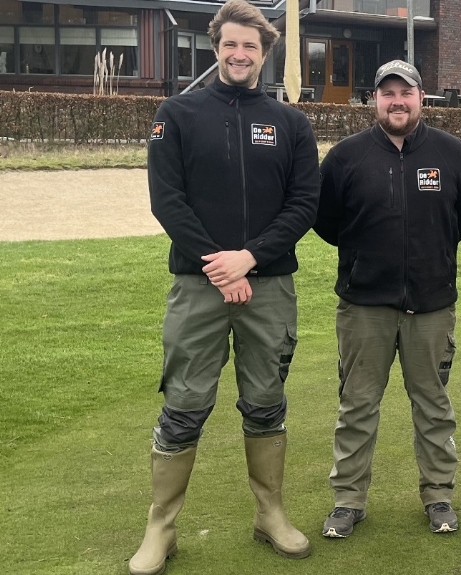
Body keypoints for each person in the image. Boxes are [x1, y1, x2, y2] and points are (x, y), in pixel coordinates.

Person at [129, 1, 320, 573]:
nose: (241, 55)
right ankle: (160, 529)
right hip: (199, 285)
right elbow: (168, 200)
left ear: (265, 53)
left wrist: (250, 258)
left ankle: (270, 515)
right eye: (232, 45)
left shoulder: (291, 122)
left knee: (265, 403)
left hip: (270, 286)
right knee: (185, 406)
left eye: (252, 47)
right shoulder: (178, 113)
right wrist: (220, 266)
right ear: (217, 47)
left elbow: (304, 203)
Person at [314, 60, 461, 538]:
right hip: (364, 305)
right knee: (357, 405)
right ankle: (348, 500)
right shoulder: (346, 157)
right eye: (387, 93)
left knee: (432, 405)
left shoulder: (451, 154)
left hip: (431, 305)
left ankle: (439, 496)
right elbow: (325, 221)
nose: (397, 102)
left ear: (420, 98)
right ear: (374, 100)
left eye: (405, 93)